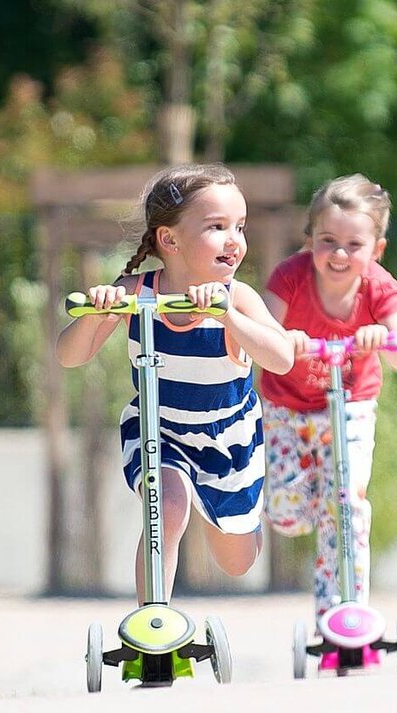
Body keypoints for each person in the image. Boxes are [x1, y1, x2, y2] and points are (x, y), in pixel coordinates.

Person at [56, 164, 294, 602]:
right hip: (159, 431)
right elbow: (69, 356)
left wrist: (228, 316)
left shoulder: (237, 297)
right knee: (166, 506)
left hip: (228, 440)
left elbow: (281, 358)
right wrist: (106, 309)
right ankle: (153, 621)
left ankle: (233, 516)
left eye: (239, 227)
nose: (234, 240)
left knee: (237, 561)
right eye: (217, 227)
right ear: (169, 239)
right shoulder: (137, 292)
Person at [260, 174, 397, 618]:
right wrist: (282, 340)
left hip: (349, 409)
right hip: (286, 409)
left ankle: (344, 608)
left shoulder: (379, 287)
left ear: (376, 250)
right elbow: (261, 338)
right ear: (309, 240)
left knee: (347, 505)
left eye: (354, 244)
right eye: (328, 241)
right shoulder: (289, 278)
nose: (339, 254)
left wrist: (382, 336)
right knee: (288, 516)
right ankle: (306, 498)